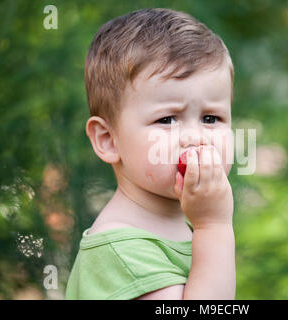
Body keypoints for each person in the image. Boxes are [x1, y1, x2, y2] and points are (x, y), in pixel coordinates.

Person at [65, 7, 235, 300]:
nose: (195, 138)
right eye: (167, 120)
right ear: (108, 140)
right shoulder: (120, 250)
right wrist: (214, 226)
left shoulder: (181, 227)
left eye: (211, 118)